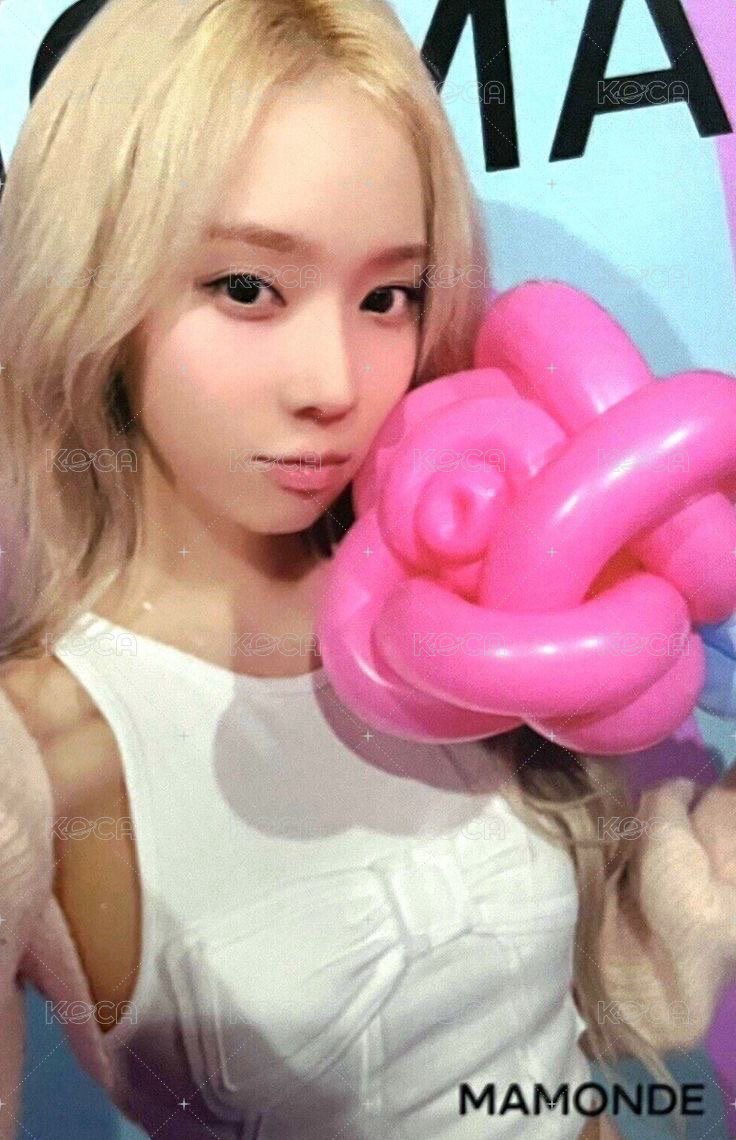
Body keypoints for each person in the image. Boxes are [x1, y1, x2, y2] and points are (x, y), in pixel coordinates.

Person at [0, 1, 734, 1137]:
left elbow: (583, 996)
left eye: (388, 297)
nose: (335, 384)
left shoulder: (446, 592)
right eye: (247, 288)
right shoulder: (38, 756)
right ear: (99, 286)